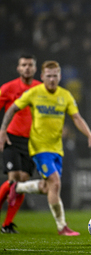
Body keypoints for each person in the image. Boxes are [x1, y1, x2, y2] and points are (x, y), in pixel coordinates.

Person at [0, 60, 91, 236]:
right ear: (42, 77)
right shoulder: (34, 93)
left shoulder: (65, 95)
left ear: (60, 77)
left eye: (55, 76)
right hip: (39, 147)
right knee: (55, 183)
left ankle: (18, 188)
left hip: (56, 149)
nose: (52, 79)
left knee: (48, 187)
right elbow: (11, 109)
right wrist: (3, 131)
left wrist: (90, 135)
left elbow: (76, 118)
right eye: (49, 76)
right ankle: (62, 226)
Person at [0, 54, 41, 233]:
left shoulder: (41, 88)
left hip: (32, 141)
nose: (27, 68)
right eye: (23, 65)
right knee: (14, 178)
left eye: (30, 65)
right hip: (12, 138)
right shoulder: (8, 88)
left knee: (23, 181)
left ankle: (7, 224)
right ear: (18, 68)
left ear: (35, 68)